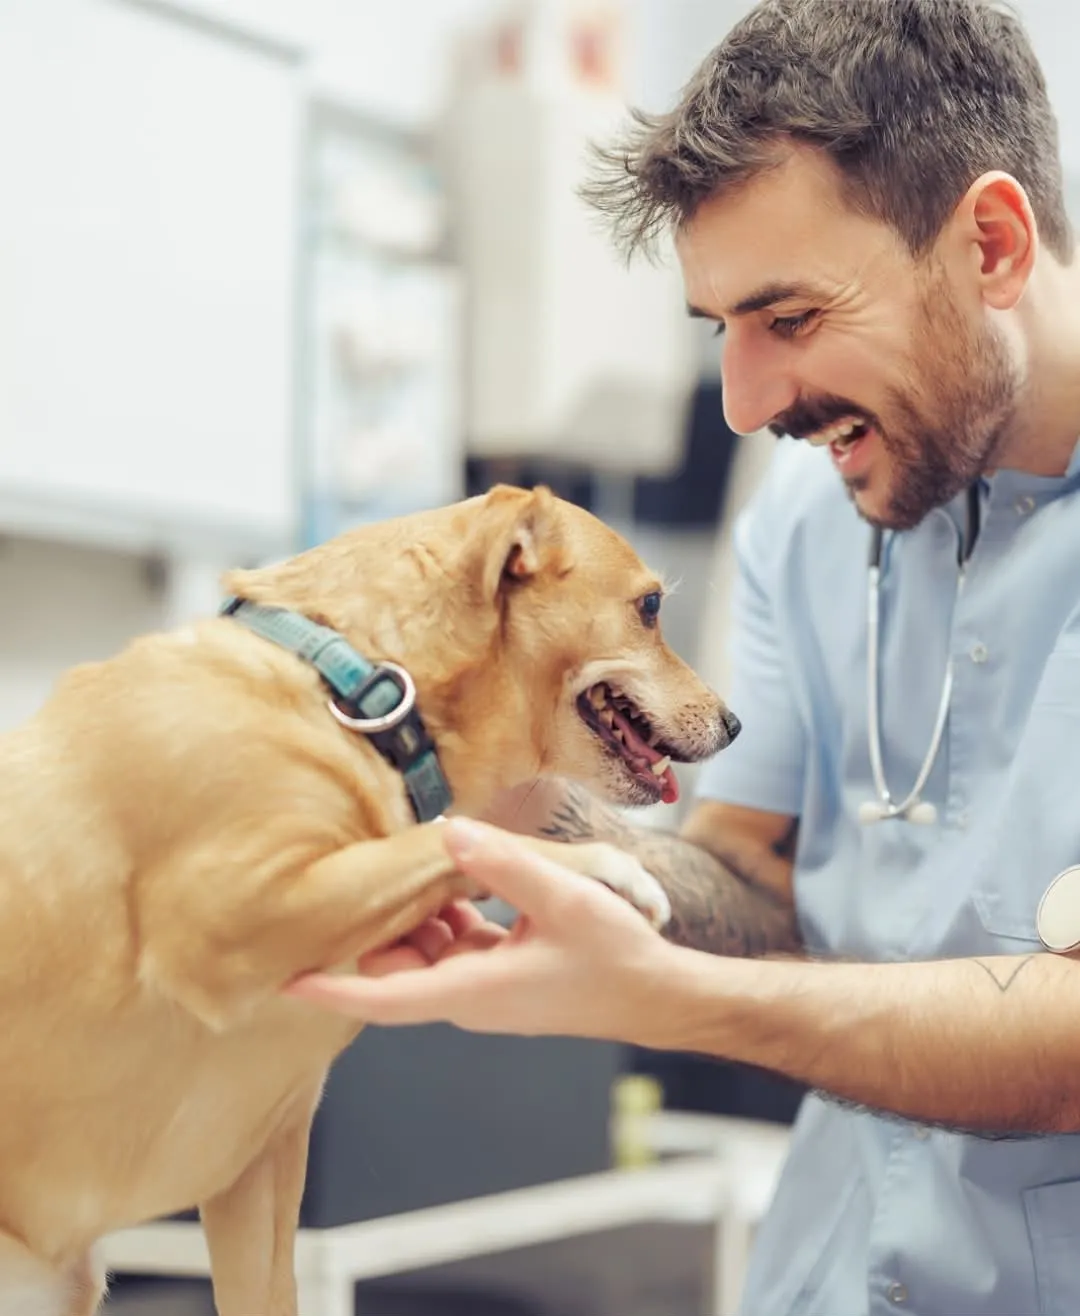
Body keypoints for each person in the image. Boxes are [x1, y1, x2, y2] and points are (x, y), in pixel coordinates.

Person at [287, 1, 1080, 1311]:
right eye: (721, 326)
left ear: (990, 244)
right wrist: (575, 867)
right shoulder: (803, 522)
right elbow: (752, 867)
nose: (745, 402)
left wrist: (669, 999)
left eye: (791, 317)